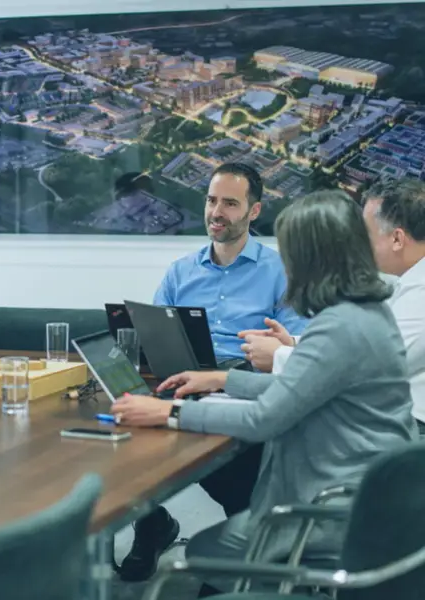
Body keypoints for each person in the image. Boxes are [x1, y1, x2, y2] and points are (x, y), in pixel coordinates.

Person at [113, 190, 417, 595]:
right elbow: (303, 387)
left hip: (327, 513)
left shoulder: (341, 326)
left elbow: (265, 418)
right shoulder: (365, 312)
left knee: (201, 553)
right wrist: (223, 380)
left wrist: (166, 413)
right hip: (364, 501)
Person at [116, 162, 308, 582]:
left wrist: (274, 349)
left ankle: (245, 549)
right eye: (211, 200)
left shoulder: (280, 272)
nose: (216, 212)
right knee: (119, 428)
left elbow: (297, 352)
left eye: (230, 203)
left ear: (254, 211)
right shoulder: (180, 271)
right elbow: (151, 333)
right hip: (182, 378)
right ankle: (151, 524)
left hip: (242, 382)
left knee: (234, 458)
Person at [241, 179, 425, 437]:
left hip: (409, 431)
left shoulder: (421, 291)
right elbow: (360, 344)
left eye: (365, 235)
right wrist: (296, 345)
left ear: (397, 239)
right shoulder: (409, 281)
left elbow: (373, 366)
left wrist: (280, 356)